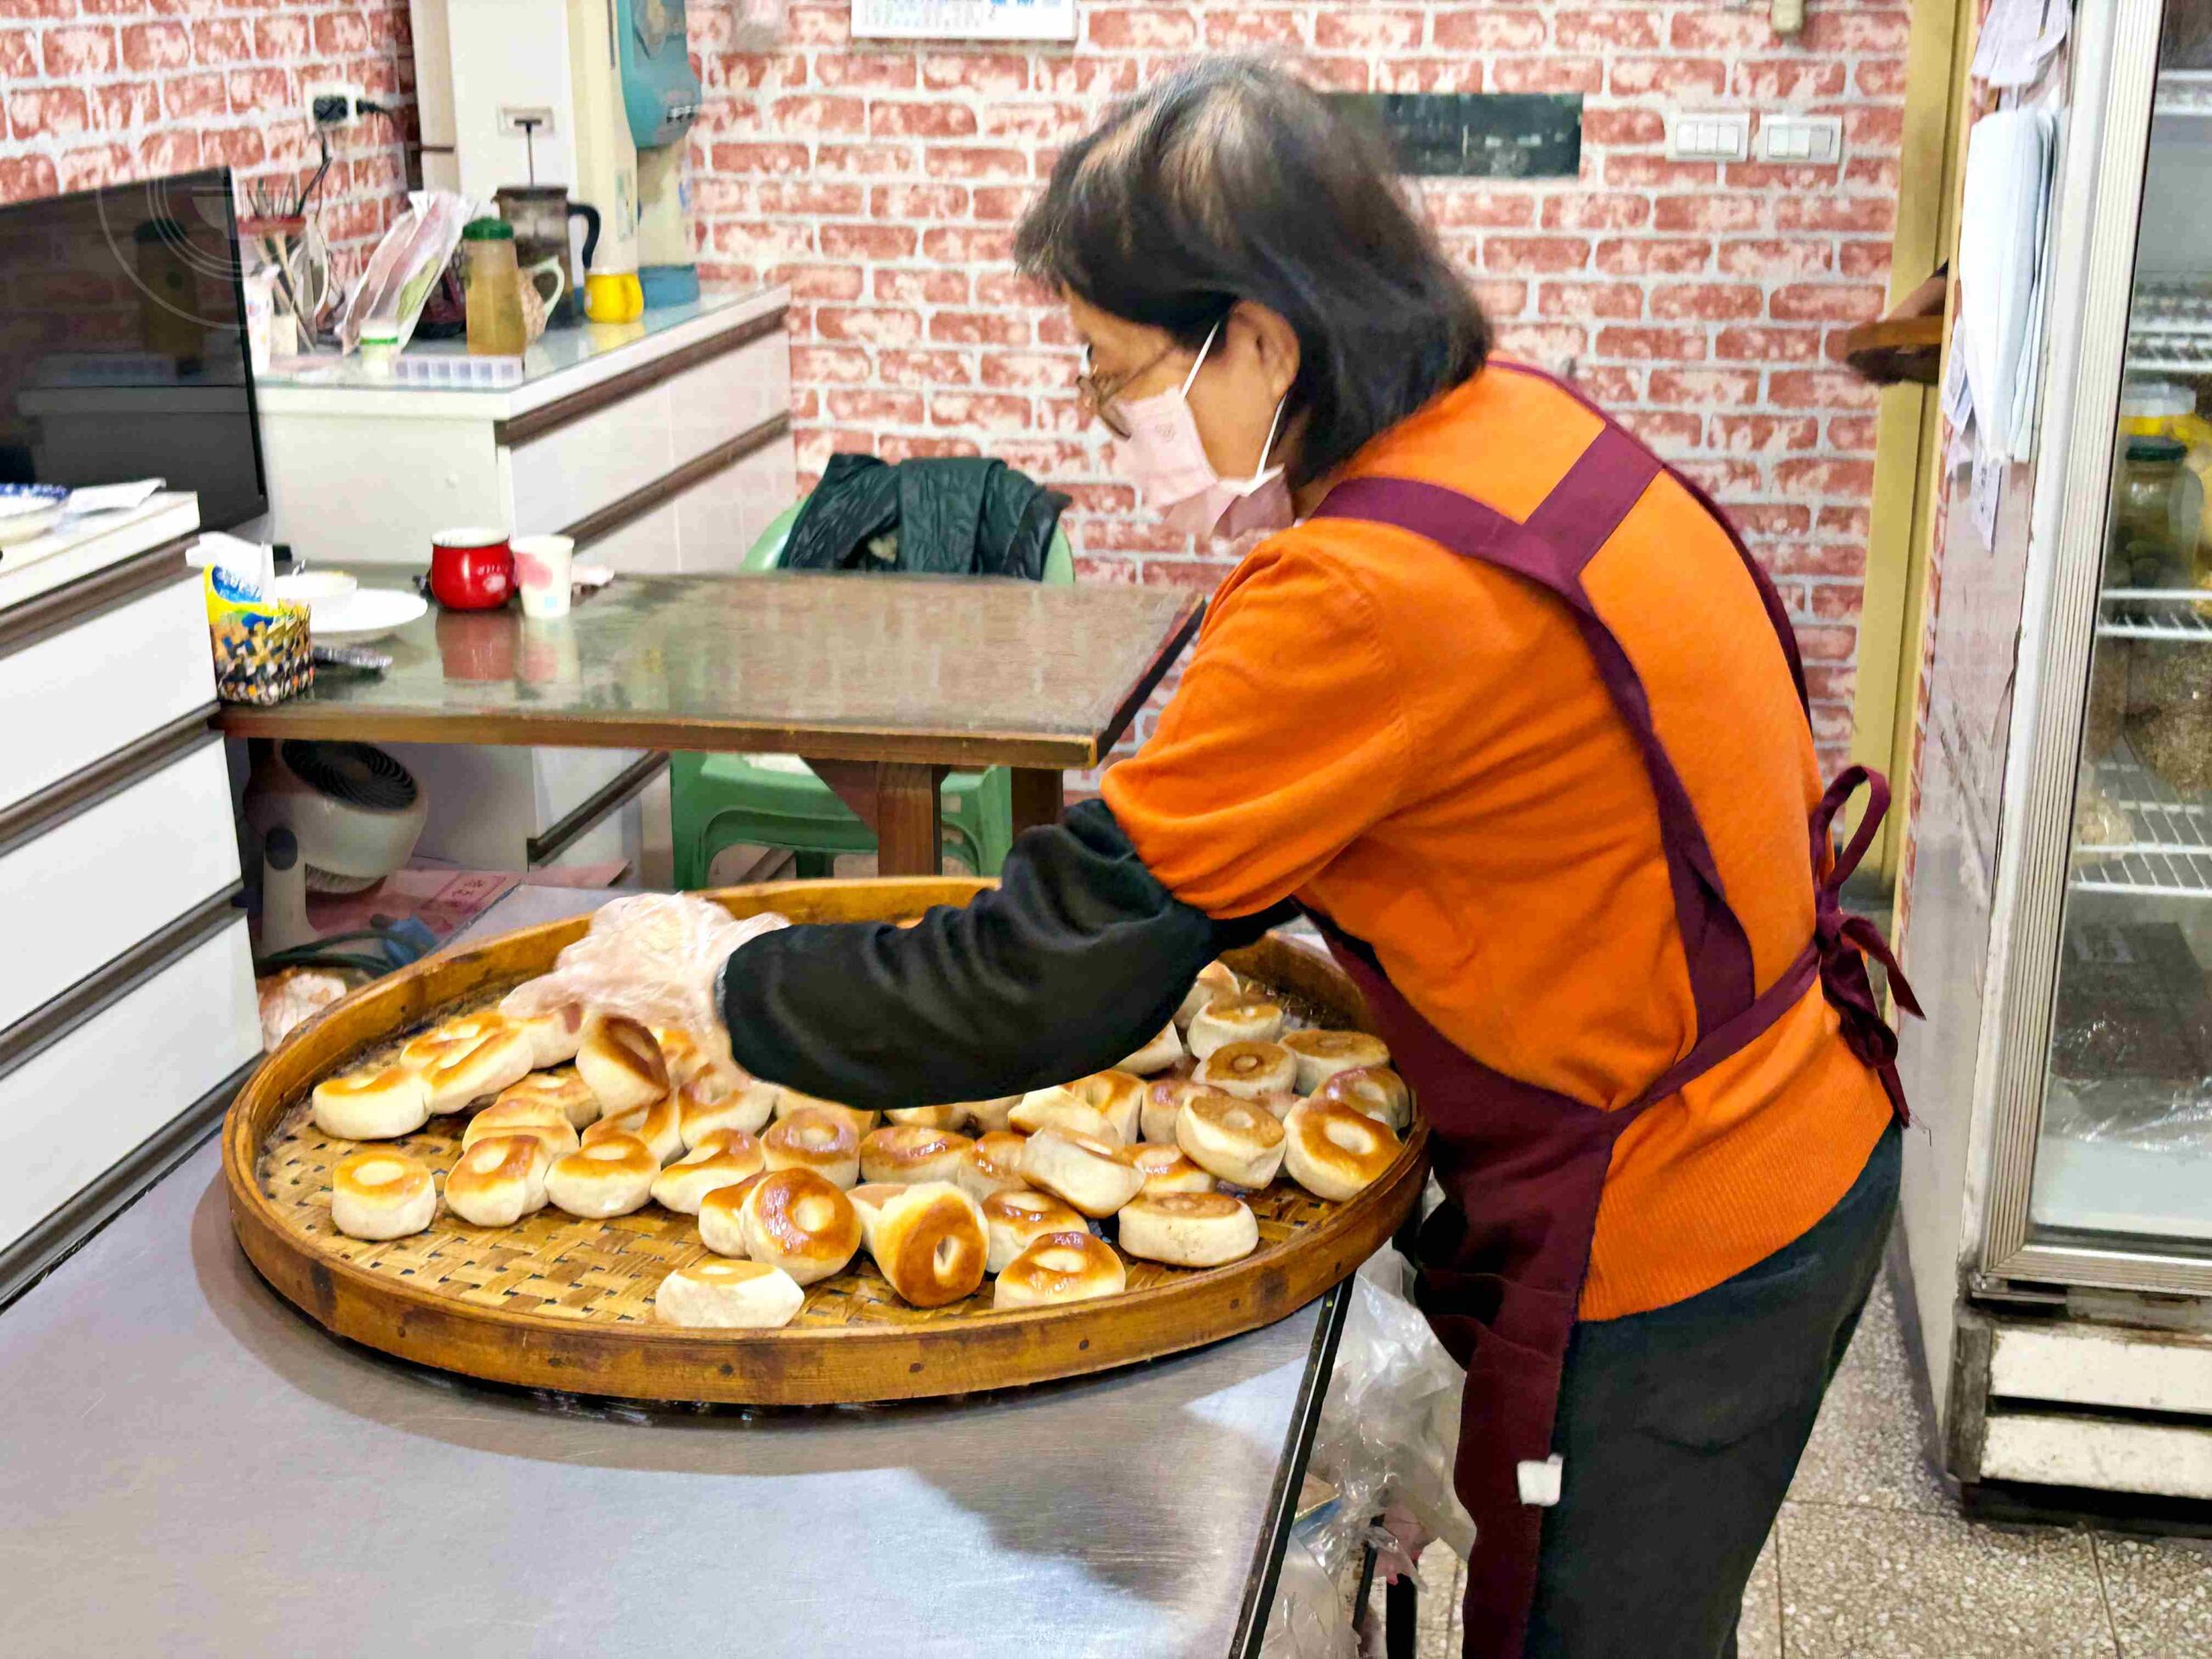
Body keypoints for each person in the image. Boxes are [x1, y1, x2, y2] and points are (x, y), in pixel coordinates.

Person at [516, 58, 1916, 1659]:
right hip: (1803, 1119)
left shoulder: (1358, 598)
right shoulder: (1519, 427)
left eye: (1117, 376)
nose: (1106, 422)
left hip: (1683, 1236)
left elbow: (1044, 979)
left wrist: (729, 979)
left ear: (1259, 339)